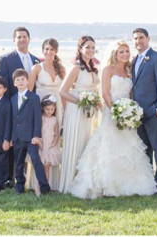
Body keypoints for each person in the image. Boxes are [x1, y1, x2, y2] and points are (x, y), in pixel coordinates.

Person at [69, 41, 157, 199]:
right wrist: (117, 112)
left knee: (129, 147)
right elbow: (105, 93)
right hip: (112, 112)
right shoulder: (108, 70)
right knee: (109, 146)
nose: (124, 54)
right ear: (115, 54)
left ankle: (130, 184)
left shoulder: (129, 70)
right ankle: (107, 185)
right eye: (121, 52)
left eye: (126, 51)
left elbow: (131, 93)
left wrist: (131, 111)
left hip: (128, 113)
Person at [0, 26, 40, 187]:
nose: (22, 39)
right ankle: (11, 178)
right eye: (19, 37)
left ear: (29, 39)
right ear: (14, 40)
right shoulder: (5, 59)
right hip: (13, 107)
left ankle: (27, 177)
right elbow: (2, 83)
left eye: (24, 36)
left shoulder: (36, 60)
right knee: (13, 142)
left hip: (31, 108)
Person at [58, 36, 100, 193]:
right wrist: (81, 102)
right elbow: (62, 91)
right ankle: (68, 183)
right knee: (74, 144)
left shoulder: (92, 67)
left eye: (93, 47)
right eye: (87, 47)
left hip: (88, 113)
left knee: (85, 144)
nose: (90, 50)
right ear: (80, 48)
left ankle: (80, 181)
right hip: (76, 111)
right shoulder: (76, 68)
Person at [131, 28, 157, 193]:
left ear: (148, 38)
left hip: (154, 111)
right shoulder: (134, 60)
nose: (138, 41)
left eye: (141, 38)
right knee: (144, 149)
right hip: (137, 114)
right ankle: (148, 181)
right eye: (135, 38)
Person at [26, 38, 65, 190]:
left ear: (56, 51)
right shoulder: (37, 68)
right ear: (43, 50)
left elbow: (63, 91)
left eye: (52, 49)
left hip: (58, 108)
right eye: (46, 49)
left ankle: (52, 182)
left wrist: (65, 111)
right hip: (41, 108)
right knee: (42, 140)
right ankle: (38, 182)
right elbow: (29, 92)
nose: (49, 52)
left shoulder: (61, 69)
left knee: (54, 140)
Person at [11, 68, 50, 195]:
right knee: (18, 163)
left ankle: (44, 187)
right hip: (17, 137)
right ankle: (20, 186)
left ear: (28, 81)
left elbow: (37, 119)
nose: (20, 81)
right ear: (14, 83)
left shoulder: (34, 98)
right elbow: (13, 119)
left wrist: (36, 136)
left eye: (23, 79)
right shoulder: (13, 98)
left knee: (35, 160)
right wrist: (12, 137)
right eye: (18, 80)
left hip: (31, 137)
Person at [34, 95, 61, 195]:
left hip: (50, 146)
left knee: (47, 168)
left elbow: (57, 133)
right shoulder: (41, 118)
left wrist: (53, 144)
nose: (49, 111)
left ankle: (45, 188)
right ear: (43, 108)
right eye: (47, 109)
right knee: (39, 168)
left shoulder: (54, 119)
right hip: (42, 145)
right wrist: (40, 143)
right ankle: (37, 189)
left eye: (52, 109)